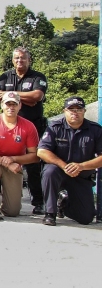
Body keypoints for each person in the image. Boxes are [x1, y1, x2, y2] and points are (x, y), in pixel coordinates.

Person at [0, 46, 49, 215]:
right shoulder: (5, 76)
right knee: (3, 160)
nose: (20, 61)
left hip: (32, 127)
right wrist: (25, 97)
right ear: (12, 60)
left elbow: (37, 96)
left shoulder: (38, 77)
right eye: (17, 58)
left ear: (29, 60)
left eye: (23, 58)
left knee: (33, 165)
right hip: (8, 127)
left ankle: (38, 202)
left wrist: (9, 94)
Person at [37, 97, 102, 226]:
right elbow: (42, 151)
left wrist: (81, 166)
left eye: (79, 109)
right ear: (64, 111)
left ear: (84, 111)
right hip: (58, 172)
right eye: (71, 109)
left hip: (81, 176)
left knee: (86, 218)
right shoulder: (55, 127)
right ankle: (50, 213)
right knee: (49, 172)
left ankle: (63, 204)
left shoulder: (95, 130)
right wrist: (64, 166)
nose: (75, 112)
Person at [0, 91, 39, 221]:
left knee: (12, 211)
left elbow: (34, 156)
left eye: (14, 104)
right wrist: (5, 161)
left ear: (20, 106)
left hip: (14, 164)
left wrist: (13, 159)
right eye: (8, 104)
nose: (11, 107)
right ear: (2, 105)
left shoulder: (29, 126)